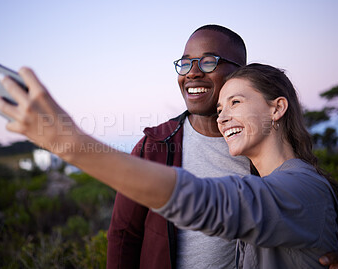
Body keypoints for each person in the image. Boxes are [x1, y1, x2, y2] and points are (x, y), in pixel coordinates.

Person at [0, 63, 338, 268]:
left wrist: (69, 144)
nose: (223, 117)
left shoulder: (302, 187)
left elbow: (207, 203)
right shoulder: (285, 181)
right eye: (220, 108)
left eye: (236, 101)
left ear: (277, 108)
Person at [107, 24, 251, 269]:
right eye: (185, 64)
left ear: (241, 74)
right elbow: (124, 235)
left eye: (208, 62)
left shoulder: (261, 145)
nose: (192, 73)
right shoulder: (155, 146)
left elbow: (307, 212)